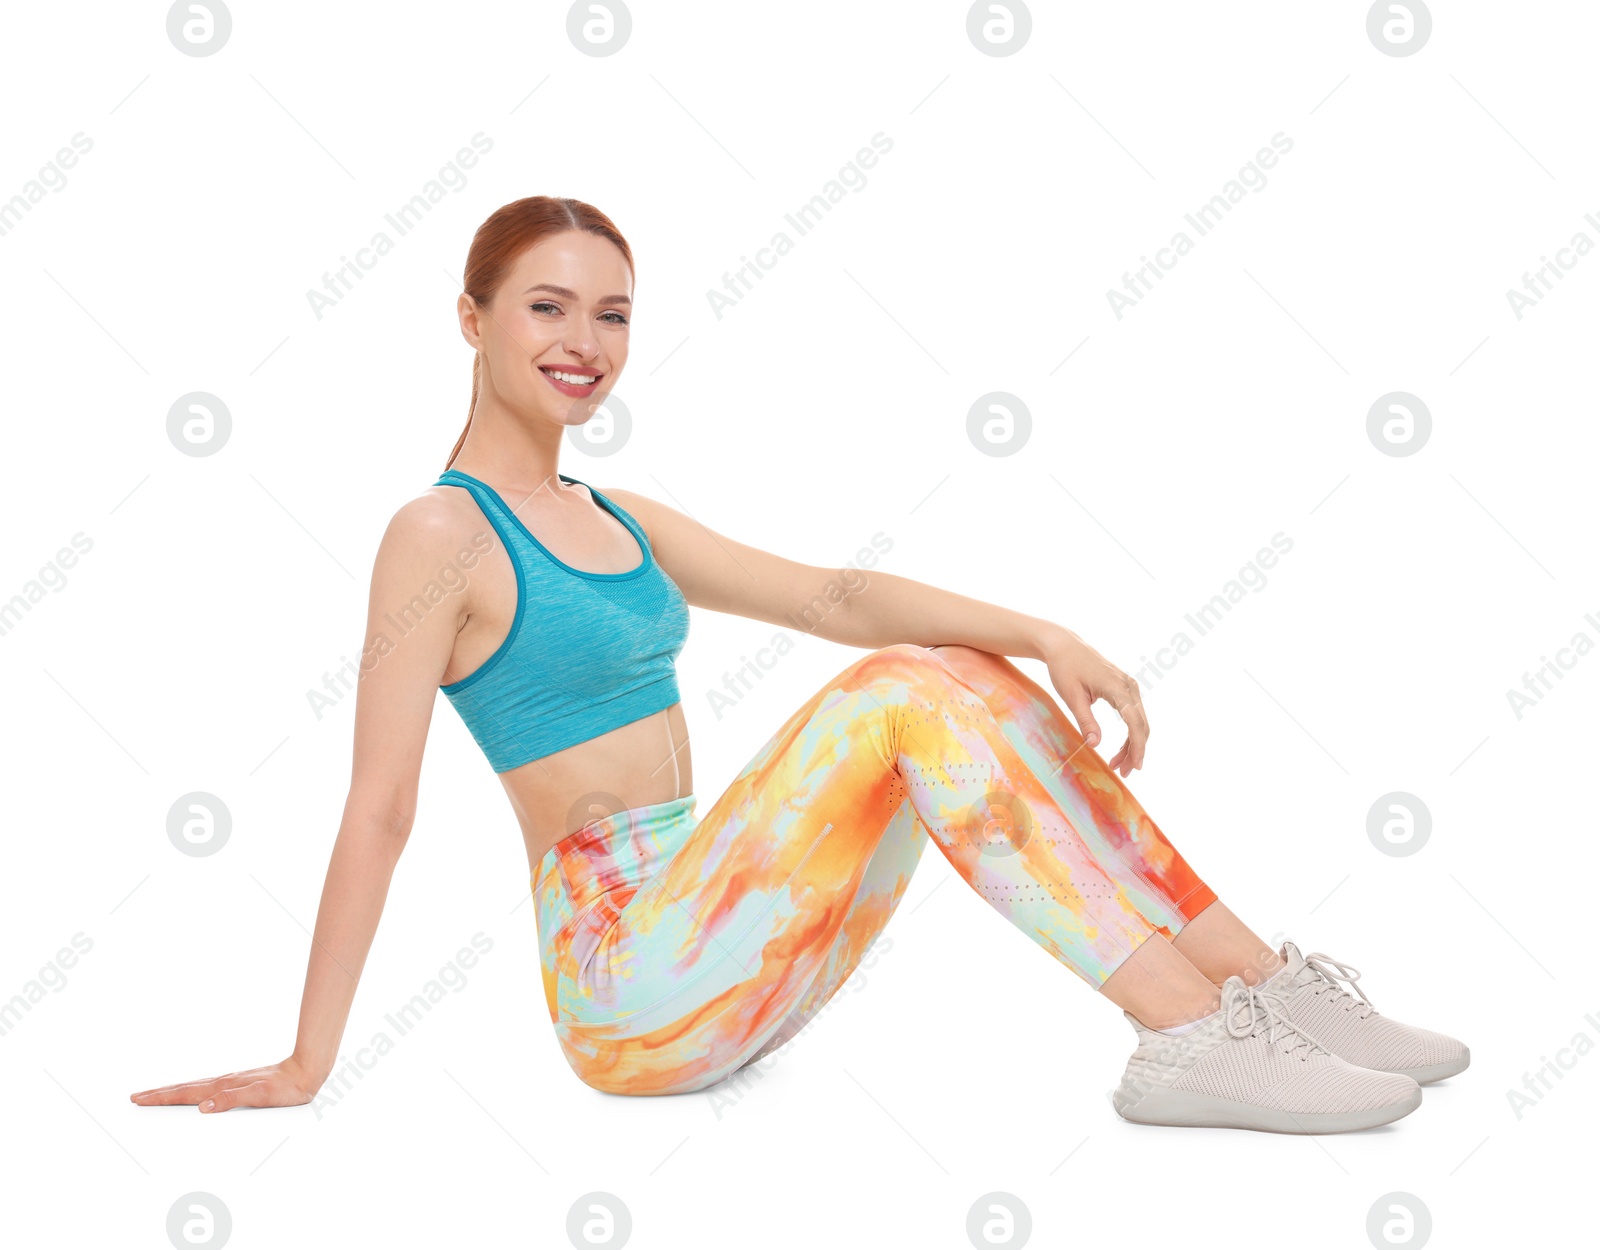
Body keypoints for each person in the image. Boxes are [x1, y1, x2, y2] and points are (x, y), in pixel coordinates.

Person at [131, 196, 1467, 1133]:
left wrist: (1041, 631)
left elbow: (832, 593)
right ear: (470, 317)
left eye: (611, 315)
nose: (582, 344)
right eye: (546, 307)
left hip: (740, 932)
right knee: (899, 690)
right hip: (630, 987)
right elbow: (380, 805)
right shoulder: (438, 533)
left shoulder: (621, 518)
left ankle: (1256, 987)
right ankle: (1182, 1034)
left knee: (951, 667)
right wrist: (309, 1058)